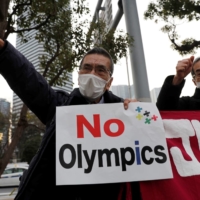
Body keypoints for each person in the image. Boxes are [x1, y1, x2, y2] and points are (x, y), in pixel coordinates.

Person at [0, 39, 141, 200]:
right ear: (79, 74)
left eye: (100, 70)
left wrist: (137, 115)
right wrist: (4, 50)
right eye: (87, 68)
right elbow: (28, 80)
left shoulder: (122, 114)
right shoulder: (59, 106)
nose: (92, 74)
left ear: (109, 82)